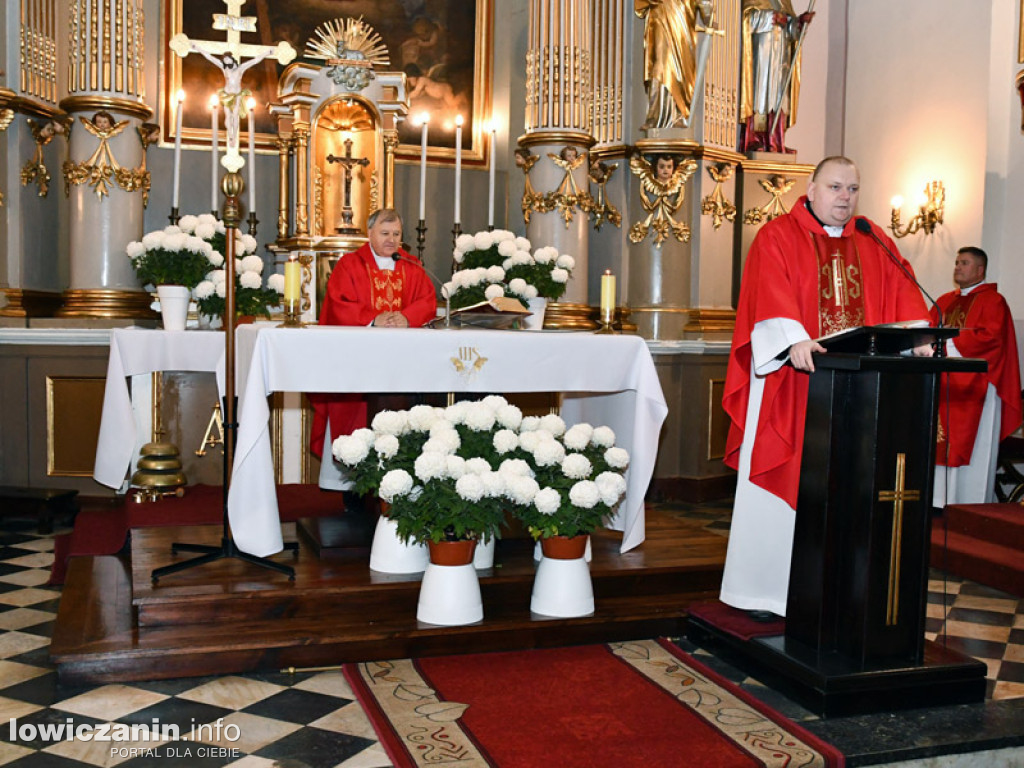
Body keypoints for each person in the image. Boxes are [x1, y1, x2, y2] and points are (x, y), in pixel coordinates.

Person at [720, 156, 933, 618]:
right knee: (784, 477)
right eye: (835, 187)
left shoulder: (873, 239)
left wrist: (919, 336)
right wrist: (793, 337)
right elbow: (769, 293)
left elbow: (904, 291)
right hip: (792, 383)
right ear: (812, 189)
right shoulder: (777, 235)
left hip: (859, 391)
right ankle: (767, 593)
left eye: (852, 189)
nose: (845, 197)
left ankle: (841, 595)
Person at [309, 208, 437, 464]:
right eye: (385, 233)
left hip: (403, 364)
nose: (391, 239)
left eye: (396, 234)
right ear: (370, 233)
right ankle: (353, 477)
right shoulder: (350, 264)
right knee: (353, 423)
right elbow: (338, 304)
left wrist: (407, 317)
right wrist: (373, 318)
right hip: (357, 363)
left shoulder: (411, 265)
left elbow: (427, 301)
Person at [931, 247, 1022, 506]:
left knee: (974, 445)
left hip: (979, 388)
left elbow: (992, 340)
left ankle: (968, 503)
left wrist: (948, 341)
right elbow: (927, 331)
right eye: (957, 262)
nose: (957, 267)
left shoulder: (993, 301)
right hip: (943, 385)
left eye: (965, 263)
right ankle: (937, 500)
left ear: (980, 270)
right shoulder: (944, 301)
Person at [739, 0, 813, 153]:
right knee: (760, 95)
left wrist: (799, 24)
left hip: (781, 59)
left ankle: (776, 141)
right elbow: (746, 20)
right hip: (762, 53)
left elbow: (791, 32)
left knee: (779, 98)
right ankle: (755, 139)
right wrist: (770, 17)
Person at [634, 0, 715, 130]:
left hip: (682, 18)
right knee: (661, 65)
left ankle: (678, 114)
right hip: (660, 14)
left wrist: (708, 13)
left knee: (680, 71)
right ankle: (656, 116)